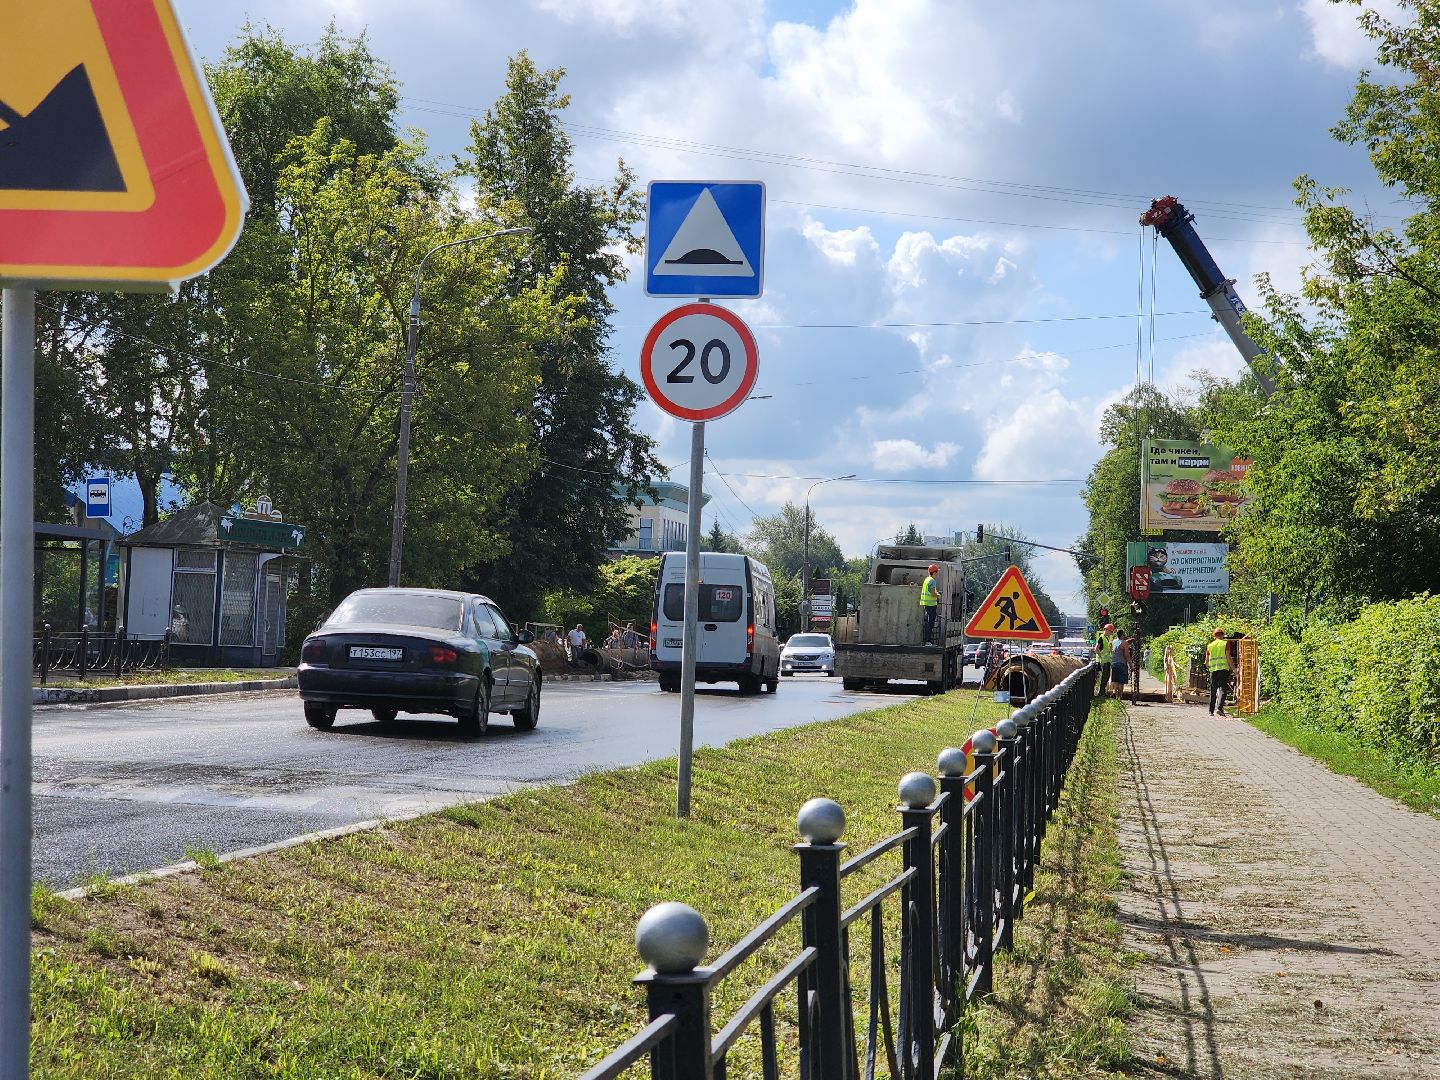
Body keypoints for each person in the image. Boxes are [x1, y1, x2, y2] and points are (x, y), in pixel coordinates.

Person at [1207, 627, 1233, 716]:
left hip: (1213, 670)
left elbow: (1206, 661)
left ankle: (1210, 711)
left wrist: (1209, 668)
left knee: (1213, 690)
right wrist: (1234, 669)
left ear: (1214, 636)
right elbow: (1228, 657)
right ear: (1222, 635)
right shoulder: (1225, 644)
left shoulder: (1210, 646)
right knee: (1222, 689)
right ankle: (1219, 708)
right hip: (1223, 669)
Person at [920, 563, 941, 645]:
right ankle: (928, 641)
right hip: (931, 605)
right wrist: (938, 594)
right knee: (930, 622)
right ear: (934, 573)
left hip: (926, 604)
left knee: (927, 622)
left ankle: (926, 639)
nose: (937, 574)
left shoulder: (927, 579)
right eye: (937, 573)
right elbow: (932, 594)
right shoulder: (932, 581)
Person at [1108, 630, 1131, 696]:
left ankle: (1116, 696)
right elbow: (1126, 655)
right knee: (1121, 682)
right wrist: (1131, 665)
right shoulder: (1124, 643)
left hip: (1114, 663)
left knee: (1115, 680)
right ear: (1122, 635)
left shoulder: (1113, 642)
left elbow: (1112, 651)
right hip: (1122, 663)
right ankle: (1120, 697)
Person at [1096, 622, 1115, 696]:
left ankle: (1102, 691)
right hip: (1103, 661)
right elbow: (1096, 649)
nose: (1111, 633)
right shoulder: (1101, 638)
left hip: (1106, 660)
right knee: (1104, 677)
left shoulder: (1106, 638)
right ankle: (1101, 692)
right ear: (1107, 630)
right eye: (1111, 631)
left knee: (1106, 677)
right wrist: (1101, 657)